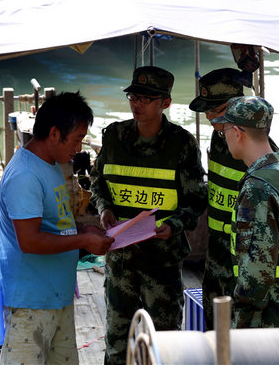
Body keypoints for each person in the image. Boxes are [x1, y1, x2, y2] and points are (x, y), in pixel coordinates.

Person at [90, 66, 208, 365]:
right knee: (117, 339)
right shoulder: (114, 136)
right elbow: (97, 181)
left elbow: (195, 199)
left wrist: (173, 225)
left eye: (146, 98)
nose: (137, 104)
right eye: (133, 96)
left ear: (165, 102)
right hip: (120, 258)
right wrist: (104, 207)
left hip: (162, 259)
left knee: (165, 342)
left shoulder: (182, 144)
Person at [0, 91, 114, 365]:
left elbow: (55, 221)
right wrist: (82, 242)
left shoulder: (50, 164)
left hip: (57, 295)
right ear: (54, 133)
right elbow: (30, 241)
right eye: (76, 139)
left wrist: (82, 230)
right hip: (31, 302)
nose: (79, 148)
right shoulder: (25, 176)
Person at [211, 96, 279, 328]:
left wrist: (242, 320)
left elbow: (256, 271)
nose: (225, 137)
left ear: (237, 133)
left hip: (267, 316)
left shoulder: (257, 188)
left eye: (224, 131)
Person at [188, 68, 249, 330]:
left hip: (240, 255)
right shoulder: (219, 135)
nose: (209, 116)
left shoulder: (254, 146)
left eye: (216, 109)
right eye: (207, 110)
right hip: (216, 252)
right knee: (214, 325)